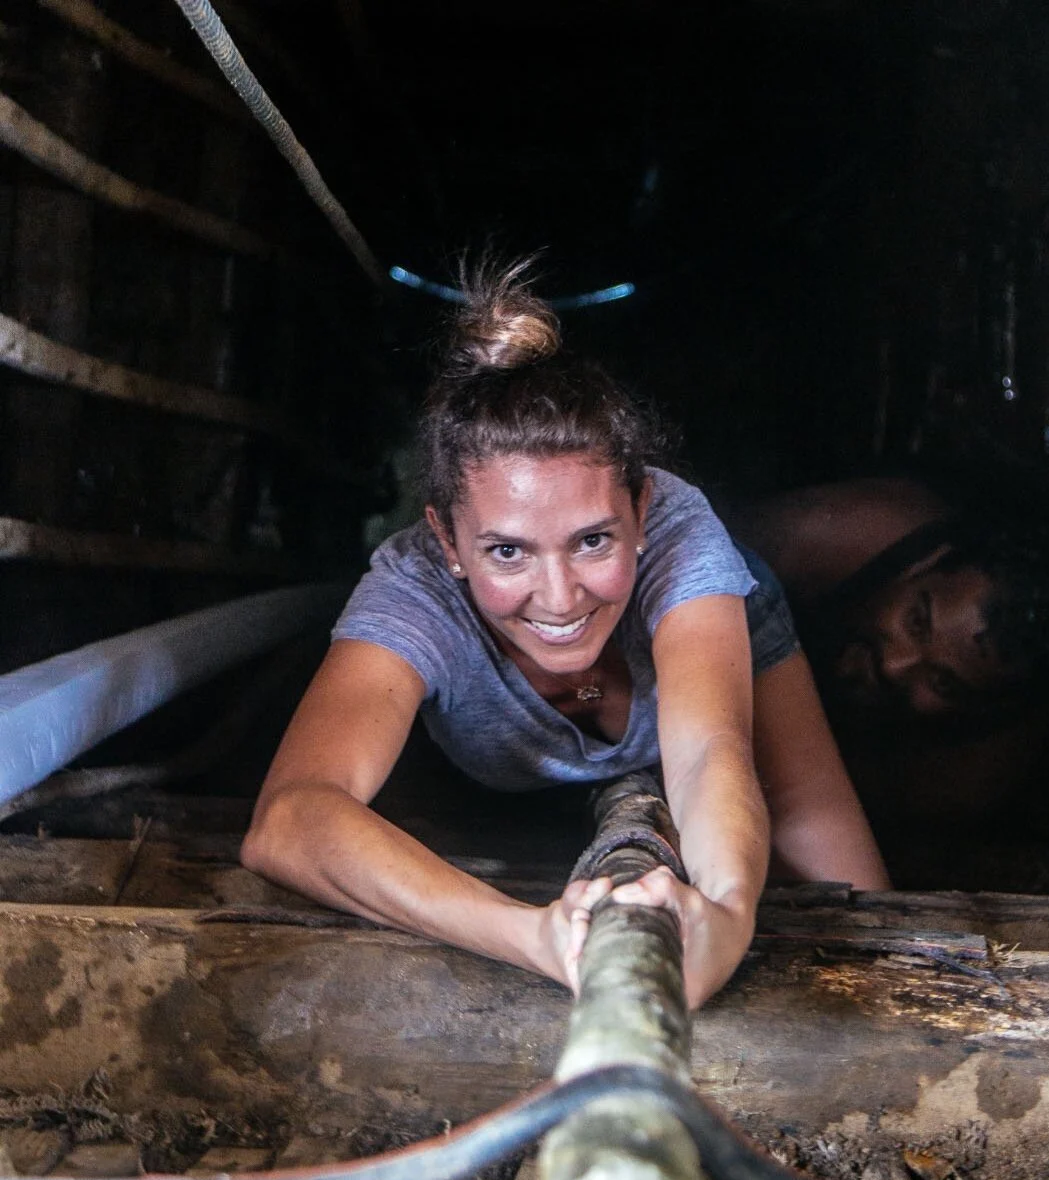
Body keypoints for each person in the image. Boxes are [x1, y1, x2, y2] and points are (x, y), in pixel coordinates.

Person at [241, 262, 889, 1010]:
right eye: (507, 551)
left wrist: (727, 913)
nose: (558, 597)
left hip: (706, 711)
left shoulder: (683, 540)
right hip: (496, 790)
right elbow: (288, 819)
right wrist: (533, 936)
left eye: (591, 541)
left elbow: (709, 751)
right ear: (447, 541)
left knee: (866, 921)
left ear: (642, 512)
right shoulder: (412, 589)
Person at [727, 478, 1049, 823]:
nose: (895, 665)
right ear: (929, 561)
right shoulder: (847, 530)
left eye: (943, 682)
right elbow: (685, 553)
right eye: (916, 621)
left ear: (985, 705)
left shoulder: (968, 773)